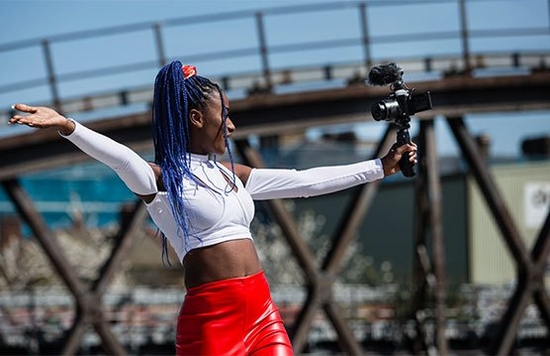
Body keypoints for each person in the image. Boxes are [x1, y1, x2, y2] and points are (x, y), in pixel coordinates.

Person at [9, 60, 417, 355]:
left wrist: (380, 166)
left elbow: (306, 182)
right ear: (196, 118)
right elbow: (119, 158)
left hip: (262, 310)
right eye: (226, 116)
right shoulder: (161, 180)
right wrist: (67, 126)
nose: (233, 126)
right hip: (210, 321)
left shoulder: (231, 174)